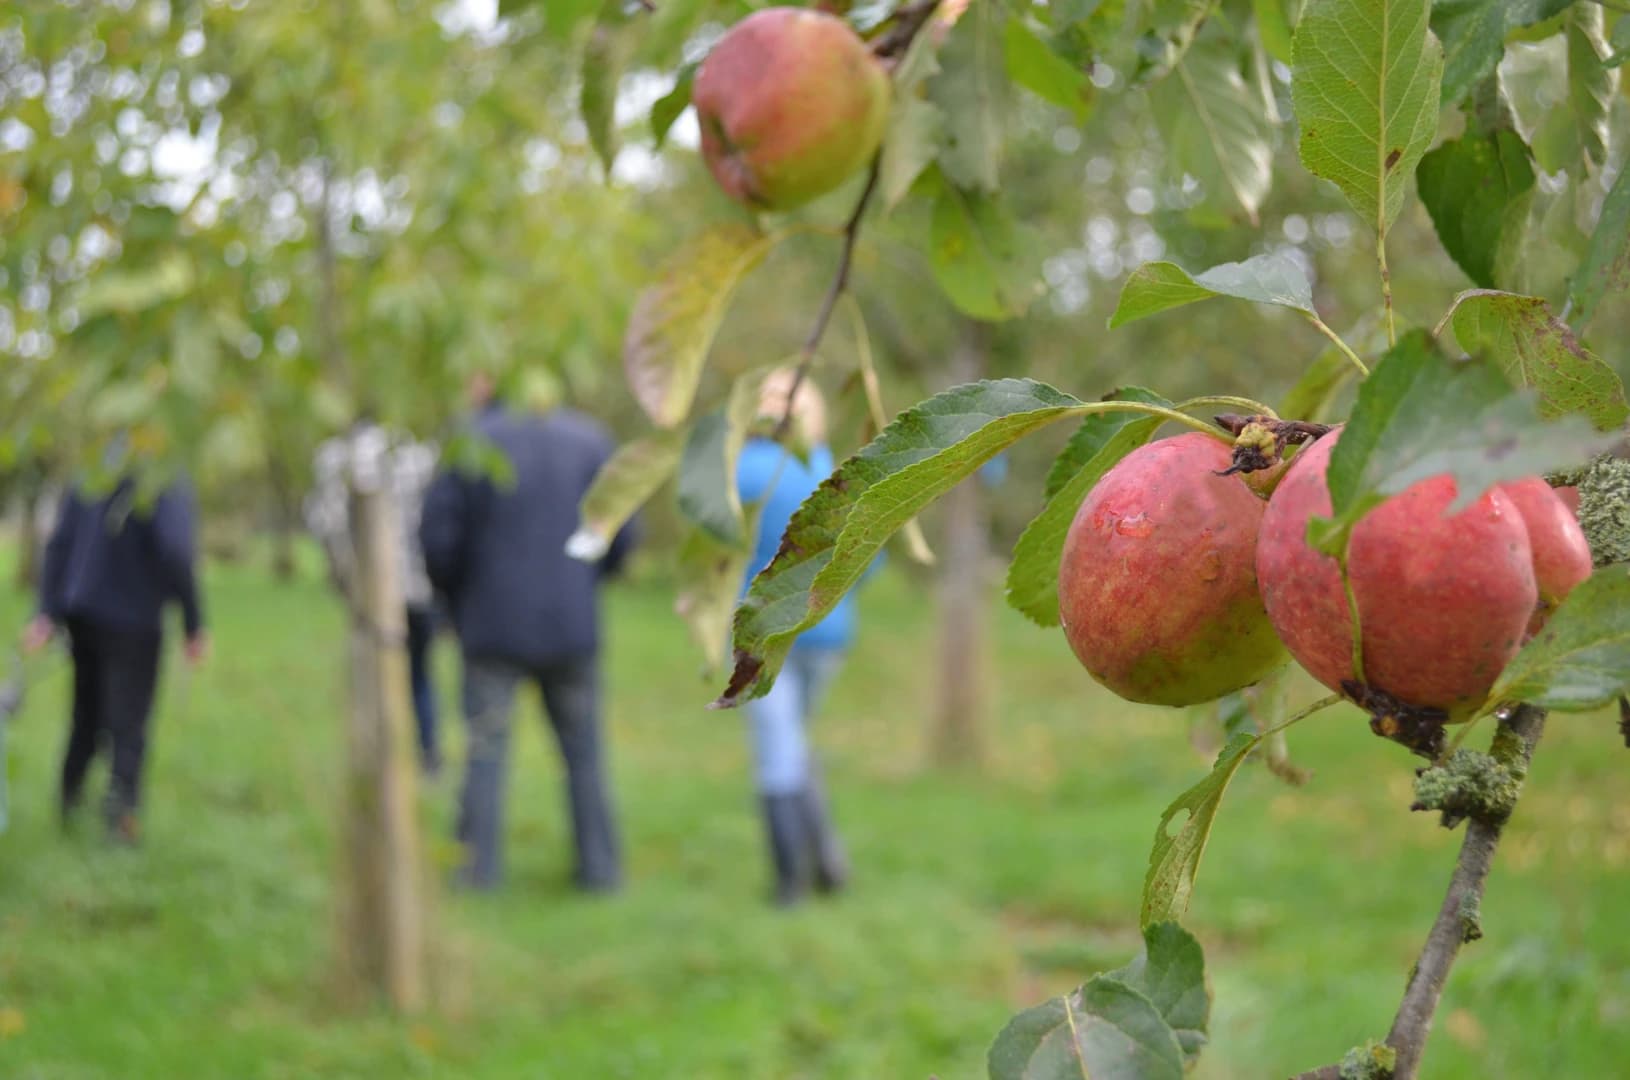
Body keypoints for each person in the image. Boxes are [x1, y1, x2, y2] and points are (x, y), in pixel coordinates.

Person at [419, 374, 637, 892]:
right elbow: (623, 532)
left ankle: (475, 876)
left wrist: (457, 601)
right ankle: (601, 872)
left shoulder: (468, 442)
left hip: (492, 627)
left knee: (484, 755)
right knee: (584, 756)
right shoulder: (591, 440)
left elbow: (437, 540)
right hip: (570, 624)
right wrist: (583, 583)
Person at [737, 370, 872, 906]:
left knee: (779, 749)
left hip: (769, 633)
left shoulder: (747, 473)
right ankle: (829, 864)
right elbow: (871, 556)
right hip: (829, 632)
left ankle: (788, 884)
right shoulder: (836, 473)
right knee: (794, 740)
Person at [22, 475, 207, 843]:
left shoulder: (95, 465)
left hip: (83, 612)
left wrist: (47, 611)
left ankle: (68, 801)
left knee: (85, 715)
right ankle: (121, 824)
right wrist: (193, 622)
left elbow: (59, 544)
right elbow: (175, 548)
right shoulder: (163, 474)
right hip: (134, 619)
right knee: (129, 724)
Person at [308, 427, 442, 775]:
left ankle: (378, 763)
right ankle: (426, 758)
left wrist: (348, 583)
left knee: (370, 674)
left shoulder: (336, 457)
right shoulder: (420, 451)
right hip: (420, 589)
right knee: (420, 675)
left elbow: (328, 525)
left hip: (371, 595)